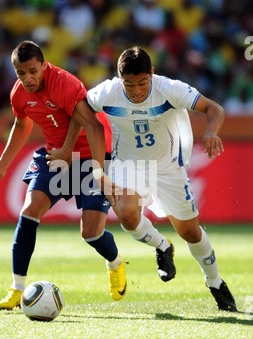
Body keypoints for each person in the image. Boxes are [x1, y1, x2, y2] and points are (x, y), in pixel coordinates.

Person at [87, 46, 237, 312]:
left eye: (142, 83)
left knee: (190, 232)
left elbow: (214, 108)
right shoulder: (105, 93)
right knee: (127, 214)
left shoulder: (169, 88)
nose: (135, 91)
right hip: (127, 165)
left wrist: (212, 131)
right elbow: (81, 112)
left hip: (168, 168)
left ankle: (214, 282)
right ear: (119, 79)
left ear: (152, 75)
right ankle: (162, 246)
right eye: (129, 85)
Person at [0, 40, 126, 309]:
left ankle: (116, 263)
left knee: (91, 233)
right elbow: (21, 124)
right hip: (54, 156)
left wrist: (100, 174)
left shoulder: (65, 85)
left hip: (91, 155)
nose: (28, 78)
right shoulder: (18, 94)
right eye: (21, 73)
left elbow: (92, 126)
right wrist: (1, 166)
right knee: (29, 211)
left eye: (33, 71)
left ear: (44, 65)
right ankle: (16, 288)